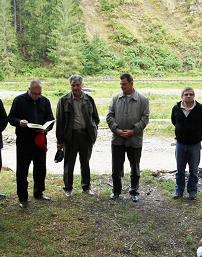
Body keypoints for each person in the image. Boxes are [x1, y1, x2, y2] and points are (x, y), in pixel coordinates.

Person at [8, 80, 55, 208]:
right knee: (22, 170)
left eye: (39, 93)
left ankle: (39, 192)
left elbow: (51, 119)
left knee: (40, 168)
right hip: (24, 141)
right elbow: (11, 118)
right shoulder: (19, 100)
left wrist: (47, 128)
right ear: (28, 90)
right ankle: (22, 197)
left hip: (40, 139)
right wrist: (19, 122)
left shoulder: (45, 101)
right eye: (34, 93)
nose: (36, 96)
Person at [106, 73, 149, 202]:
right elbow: (109, 116)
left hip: (134, 140)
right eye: (120, 84)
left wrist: (134, 130)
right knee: (116, 167)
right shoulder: (115, 99)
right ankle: (116, 190)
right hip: (118, 139)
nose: (122, 87)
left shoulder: (143, 100)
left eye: (124, 84)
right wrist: (116, 130)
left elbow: (145, 118)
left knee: (135, 167)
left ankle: (134, 191)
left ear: (131, 83)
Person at [56, 75, 100, 197]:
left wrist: (93, 130)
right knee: (69, 163)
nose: (75, 88)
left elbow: (95, 118)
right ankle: (68, 188)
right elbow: (60, 121)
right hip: (70, 136)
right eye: (73, 85)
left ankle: (86, 187)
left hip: (86, 136)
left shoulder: (89, 99)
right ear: (70, 86)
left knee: (85, 162)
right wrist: (59, 141)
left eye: (78, 85)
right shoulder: (64, 100)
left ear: (82, 85)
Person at [171, 87, 202, 200]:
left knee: (193, 170)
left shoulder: (201, 109)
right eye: (186, 94)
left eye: (191, 94)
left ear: (194, 96)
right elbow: (174, 121)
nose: (189, 96)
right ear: (181, 96)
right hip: (180, 144)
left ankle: (192, 191)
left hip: (195, 145)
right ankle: (179, 190)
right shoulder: (176, 109)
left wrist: (196, 132)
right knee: (180, 170)